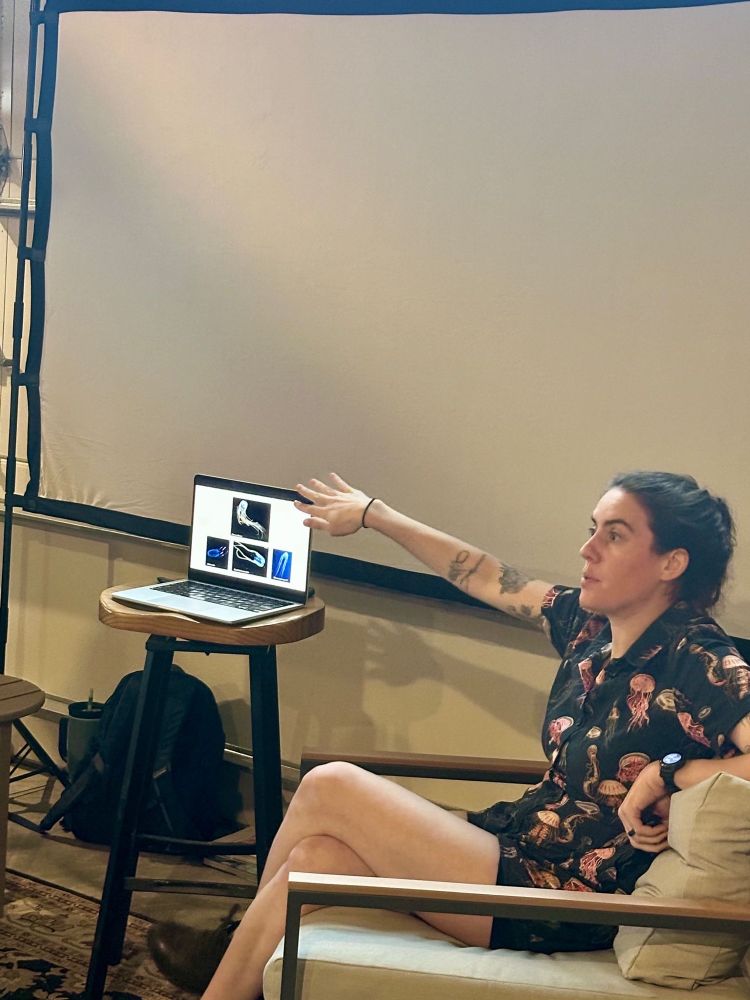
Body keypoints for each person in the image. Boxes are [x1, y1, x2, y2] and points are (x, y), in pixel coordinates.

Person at [148, 470, 750, 999]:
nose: (587, 549)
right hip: (516, 845)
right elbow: (486, 575)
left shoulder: (700, 660)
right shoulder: (590, 625)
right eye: (592, 528)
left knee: (330, 786)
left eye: (614, 536)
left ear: (673, 563)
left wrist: (674, 773)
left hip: (562, 897)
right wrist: (372, 515)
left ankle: (229, 951)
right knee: (314, 858)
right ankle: (233, 973)